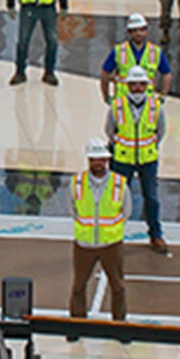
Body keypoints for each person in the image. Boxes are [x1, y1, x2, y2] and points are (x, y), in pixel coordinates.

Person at [68, 139, 130, 327]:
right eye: (94, 159)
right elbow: (73, 210)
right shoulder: (77, 183)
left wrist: (110, 231)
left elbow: (126, 211)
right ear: (89, 160)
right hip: (84, 245)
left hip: (111, 245)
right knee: (79, 286)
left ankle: (119, 325)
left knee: (118, 287)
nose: (98, 163)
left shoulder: (119, 184)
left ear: (106, 159)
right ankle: (77, 324)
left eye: (101, 159)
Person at [106, 66, 168, 254]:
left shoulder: (156, 106)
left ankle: (155, 234)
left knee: (151, 197)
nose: (138, 88)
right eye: (134, 85)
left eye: (142, 84)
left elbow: (161, 131)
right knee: (117, 198)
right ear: (128, 85)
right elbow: (110, 130)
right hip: (122, 158)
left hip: (147, 159)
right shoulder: (116, 106)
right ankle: (112, 235)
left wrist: (149, 147)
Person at [99, 13, 171, 103]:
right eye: (135, 30)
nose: (139, 33)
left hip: (147, 102)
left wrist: (163, 95)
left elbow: (167, 74)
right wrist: (106, 96)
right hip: (123, 101)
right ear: (129, 32)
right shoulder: (119, 51)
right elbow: (105, 74)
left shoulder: (155, 51)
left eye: (142, 30)